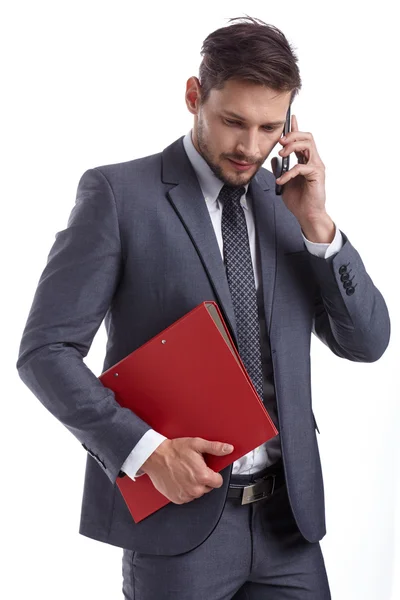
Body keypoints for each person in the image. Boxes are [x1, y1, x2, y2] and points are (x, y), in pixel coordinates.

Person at [16, 15, 390, 600]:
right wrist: (146, 453)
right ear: (195, 96)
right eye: (233, 121)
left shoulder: (288, 205)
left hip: (289, 526)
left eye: (270, 127)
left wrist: (318, 224)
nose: (249, 147)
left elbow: (365, 343)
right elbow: (45, 353)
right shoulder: (117, 196)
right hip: (177, 528)